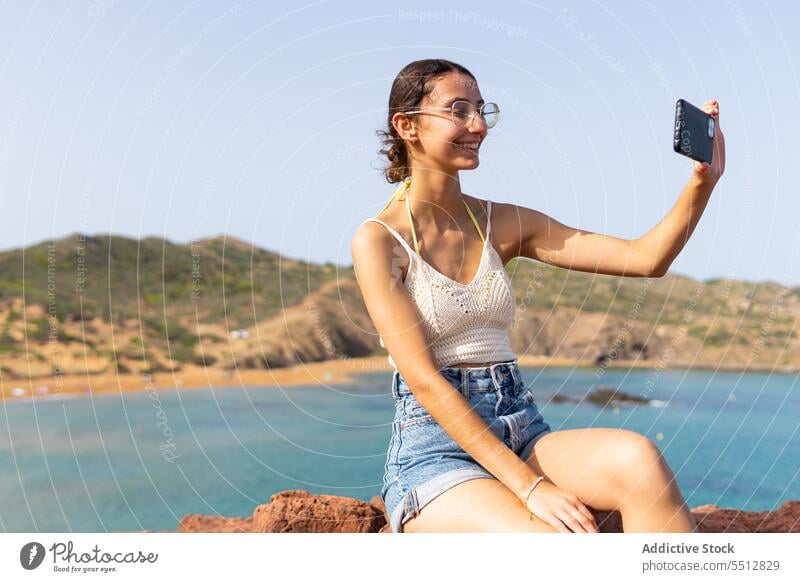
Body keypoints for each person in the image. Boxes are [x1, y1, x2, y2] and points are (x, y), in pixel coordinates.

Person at [350, 59, 725, 533]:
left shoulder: (504, 223)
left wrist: (702, 183)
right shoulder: (380, 241)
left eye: (482, 110)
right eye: (458, 110)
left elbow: (646, 259)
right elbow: (424, 380)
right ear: (407, 126)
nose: (478, 125)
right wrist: (530, 488)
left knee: (639, 460)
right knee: (551, 540)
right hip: (436, 452)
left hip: (521, 429)